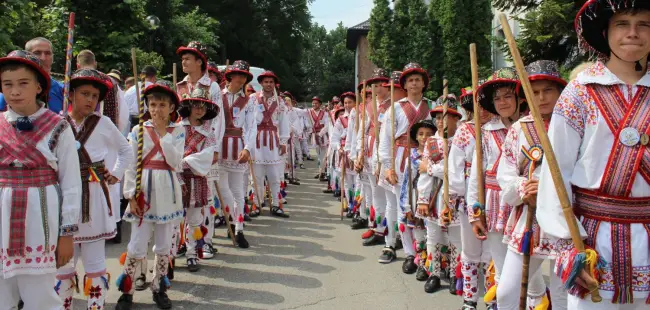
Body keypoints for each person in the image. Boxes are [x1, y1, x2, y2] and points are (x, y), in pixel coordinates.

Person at [538, 1, 650, 308]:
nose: (633, 33)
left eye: (643, 25)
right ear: (606, 32)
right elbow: (555, 173)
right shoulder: (580, 93)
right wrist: (569, 248)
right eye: (622, 24)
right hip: (594, 245)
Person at [0, 50, 81, 309]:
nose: (14, 91)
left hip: (39, 222)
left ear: (38, 86)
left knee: (40, 296)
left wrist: (66, 234)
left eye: (23, 83)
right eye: (7, 84)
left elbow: (70, 184)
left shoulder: (58, 126)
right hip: (2, 217)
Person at [54, 68, 133, 310]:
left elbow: (126, 150)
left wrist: (115, 174)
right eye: (85, 93)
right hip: (65, 202)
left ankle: (95, 306)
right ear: (71, 94)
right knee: (63, 267)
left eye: (95, 96)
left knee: (95, 264)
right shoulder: (57, 123)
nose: (90, 100)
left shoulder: (104, 123)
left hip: (95, 201)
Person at [495, 60, 567, 310]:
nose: (542, 97)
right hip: (530, 220)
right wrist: (525, 188)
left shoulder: (575, 125)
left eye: (548, 90)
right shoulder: (519, 129)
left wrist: (547, 190)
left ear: (560, 92)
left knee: (563, 297)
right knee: (506, 293)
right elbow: (505, 175)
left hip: (567, 220)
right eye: (534, 92)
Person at [116, 84, 184, 310]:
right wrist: (130, 196)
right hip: (143, 189)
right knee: (136, 244)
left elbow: (176, 162)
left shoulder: (178, 131)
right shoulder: (137, 131)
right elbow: (130, 166)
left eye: (162, 105)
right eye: (152, 105)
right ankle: (127, 290)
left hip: (167, 191)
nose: (157, 110)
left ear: (171, 107)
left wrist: (163, 135)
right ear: (147, 106)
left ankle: (159, 287)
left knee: (164, 244)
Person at [467, 67, 525, 309]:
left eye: (508, 96)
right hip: (492, 203)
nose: (502, 102)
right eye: (497, 97)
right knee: (502, 269)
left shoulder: (532, 127)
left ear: (520, 98)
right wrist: (474, 213)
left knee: (527, 271)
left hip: (524, 203)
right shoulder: (486, 133)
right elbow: (475, 176)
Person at [378, 63, 433, 272]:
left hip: (426, 160)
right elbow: (385, 139)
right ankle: (410, 254)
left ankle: (426, 253)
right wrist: (388, 166)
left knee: (425, 205)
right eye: (410, 80)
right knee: (405, 207)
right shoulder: (396, 107)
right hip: (401, 158)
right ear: (405, 84)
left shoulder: (432, 105)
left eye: (418, 79)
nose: (414, 83)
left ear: (424, 83)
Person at [451, 87, 494, 310]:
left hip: (495, 196)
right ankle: (469, 298)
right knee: (470, 249)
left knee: (491, 250)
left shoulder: (500, 129)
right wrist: (460, 196)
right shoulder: (464, 131)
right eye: (478, 105)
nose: (483, 110)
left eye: (487, 105)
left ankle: (491, 297)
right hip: (470, 194)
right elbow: (455, 166)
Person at [416, 95, 463, 293]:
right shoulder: (431, 142)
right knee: (432, 235)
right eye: (437, 117)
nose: (440, 121)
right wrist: (423, 199)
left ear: (455, 118)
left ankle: (454, 274)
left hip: (455, 195)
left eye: (445, 117)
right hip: (435, 195)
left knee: (455, 237)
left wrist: (432, 168)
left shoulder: (463, 139)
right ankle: (434, 272)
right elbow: (424, 173)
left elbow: (455, 172)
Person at [177, 88, 218, 272]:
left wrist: (185, 161)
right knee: (173, 218)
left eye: (203, 106)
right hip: (176, 178)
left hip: (196, 178)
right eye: (196, 105)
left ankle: (192, 253)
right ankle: (170, 253)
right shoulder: (177, 127)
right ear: (189, 106)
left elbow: (209, 155)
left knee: (194, 219)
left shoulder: (209, 132)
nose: (200, 110)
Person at [218, 60, 257, 248]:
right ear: (230, 76)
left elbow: (251, 127)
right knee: (223, 190)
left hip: (238, 147)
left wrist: (248, 148)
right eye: (238, 75)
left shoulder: (250, 101)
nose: (241, 79)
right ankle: (230, 222)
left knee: (238, 192)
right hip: (219, 147)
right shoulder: (218, 96)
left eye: (244, 76)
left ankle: (239, 228)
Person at [351, 69, 391, 249]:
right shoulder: (369, 105)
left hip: (384, 150)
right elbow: (362, 131)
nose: (377, 88)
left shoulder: (393, 105)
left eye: (381, 84)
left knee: (385, 193)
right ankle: (376, 226)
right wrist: (358, 153)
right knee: (373, 191)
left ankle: (386, 230)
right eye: (374, 85)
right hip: (369, 149)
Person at [249, 71, 290, 218]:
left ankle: (276, 205)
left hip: (273, 140)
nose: (268, 84)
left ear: (274, 84)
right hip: (257, 140)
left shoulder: (280, 101)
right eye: (266, 82)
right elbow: (248, 121)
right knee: (257, 176)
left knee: (274, 175)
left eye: (271, 82)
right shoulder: (252, 99)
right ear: (261, 83)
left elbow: (284, 121)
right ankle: (256, 203)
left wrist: (284, 141)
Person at [0, 38, 65, 114]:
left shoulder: (64, 90)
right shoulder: (7, 91)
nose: (43, 58)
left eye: (47, 53)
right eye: (37, 53)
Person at [308, 96, 330, 180]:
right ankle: (320, 171)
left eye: (316, 103)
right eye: (313, 103)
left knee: (323, 155)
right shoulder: (309, 112)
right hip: (314, 135)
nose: (314, 104)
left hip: (322, 136)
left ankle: (323, 172)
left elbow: (327, 125)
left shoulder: (325, 113)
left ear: (320, 104)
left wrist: (320, 134)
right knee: (318, 154)